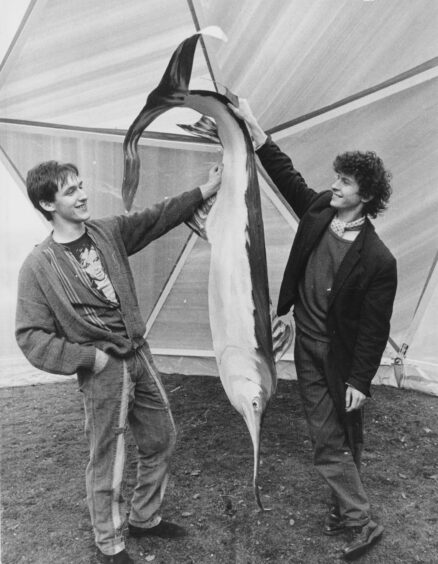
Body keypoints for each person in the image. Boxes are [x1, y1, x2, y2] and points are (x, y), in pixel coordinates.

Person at [15, 159, 223, 564]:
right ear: (46, 203)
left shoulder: (106, 232)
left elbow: (156, 217)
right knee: (107, 457)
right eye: (70, 191)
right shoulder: (38, 266)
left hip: (138, 354)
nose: (83, 194)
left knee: (162, 436)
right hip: (103, 369)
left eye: (81, 185)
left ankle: (145, 517)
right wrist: (87, 358)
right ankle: (109, 543)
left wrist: (205, 190)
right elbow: (30, 335)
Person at [230, 99, 397, 561]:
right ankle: (359, 518)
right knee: (327, 436)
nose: (334, 185)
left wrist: (361, 381)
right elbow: (288, 177)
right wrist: (256, 130)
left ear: (365, 194)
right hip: (307, 347)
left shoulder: (379, 260)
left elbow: (373, 330)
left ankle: (347, 511)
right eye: (337, 177)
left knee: (348, 433)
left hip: (343, 359)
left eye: (344, 181)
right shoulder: (320, 211)